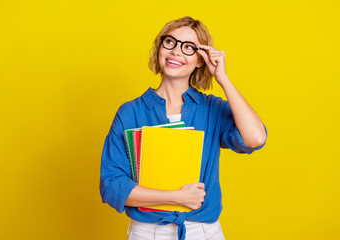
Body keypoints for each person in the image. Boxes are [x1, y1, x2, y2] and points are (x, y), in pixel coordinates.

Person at [100, 16, 268, 240]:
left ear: (201, 59)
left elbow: (255, 138)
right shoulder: (130, 112)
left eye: (189, 47)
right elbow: (112, 187)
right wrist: (178, 197)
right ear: (160, 47)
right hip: (148, 233)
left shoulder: (212, 109)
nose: (176, 52)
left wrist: (223, 79)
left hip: (203, 232)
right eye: (170, 42)